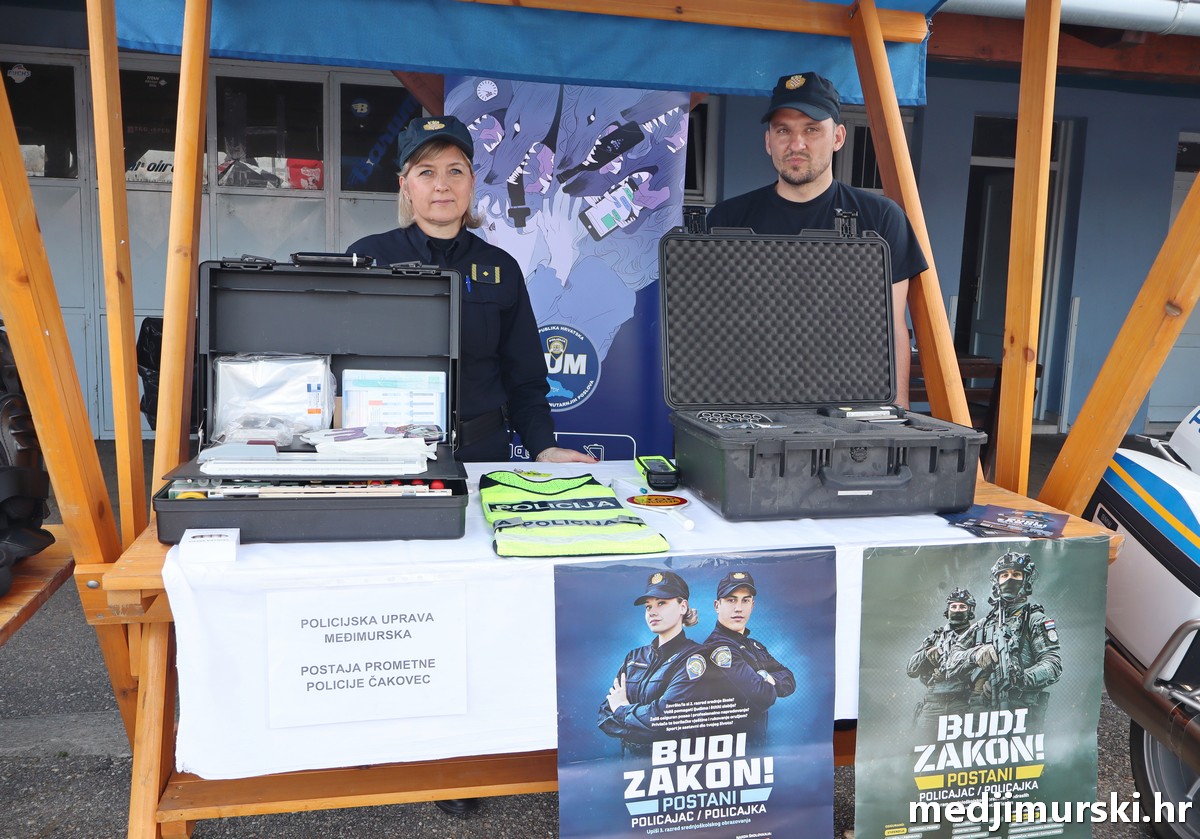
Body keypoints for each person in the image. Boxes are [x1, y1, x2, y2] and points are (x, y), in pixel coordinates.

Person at [346, 115, 595, 465]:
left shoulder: (501, 268)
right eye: (426, 172)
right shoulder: (368, 259)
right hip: (385, 454)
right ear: (405, 186)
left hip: (481, 453)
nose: (442, 185)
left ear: (471, 182)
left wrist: (544, 447)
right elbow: (340, 365)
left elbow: (525, 378)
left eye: (455, 171)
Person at [706, 72, 928, 408]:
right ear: (768, 141)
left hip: (849, 405)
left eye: (812, 129)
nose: (796, 144)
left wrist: (897, 411)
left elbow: (894, 327)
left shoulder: (881, 218)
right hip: (751, 404)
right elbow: (712, 327)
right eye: (783, 131)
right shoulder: (728, 219)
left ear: (838, 137)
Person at [597, 570, 709, 756]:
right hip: (631, 765)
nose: (652, 612)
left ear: (683, 606)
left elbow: (665, 719)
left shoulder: (697, 658)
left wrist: (622, 710)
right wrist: (642, 725)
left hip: (675, 765)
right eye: (648, 607)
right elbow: (604, 716)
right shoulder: (634, 658)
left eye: (661, 603)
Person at [945, 552, 1062, 728]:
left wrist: (1021, 678)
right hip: (979, 711)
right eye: (1004, 575)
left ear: (1026, 580)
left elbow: (1053, 665)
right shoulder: (983, 624)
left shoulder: (1035, 620)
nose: (1010, 579)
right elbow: (951, 662)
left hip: (1020, 711)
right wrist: (975, 654)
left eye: (1016, 574)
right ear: (997, 581)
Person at [701, 570, 795, 745]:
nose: (738, 608)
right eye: (731, 600)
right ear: (717, 606)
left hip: (755, 745)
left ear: (752, 605)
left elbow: (789, 679)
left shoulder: (754, 646)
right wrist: (771, 683)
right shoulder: (717, 648)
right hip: (725, 748)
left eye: (745, 600)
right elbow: (762, 696)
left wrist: (767, 678)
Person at [907, 588, 976, 732]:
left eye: (962, 607)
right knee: (923, 740)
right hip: (933, 703)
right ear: (948, 610)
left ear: (970, 610)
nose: (957, 610)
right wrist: (927, 653)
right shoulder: (935, 637)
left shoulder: (977, 636)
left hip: (962, 702)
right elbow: (911, 670)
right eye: (954, 606)